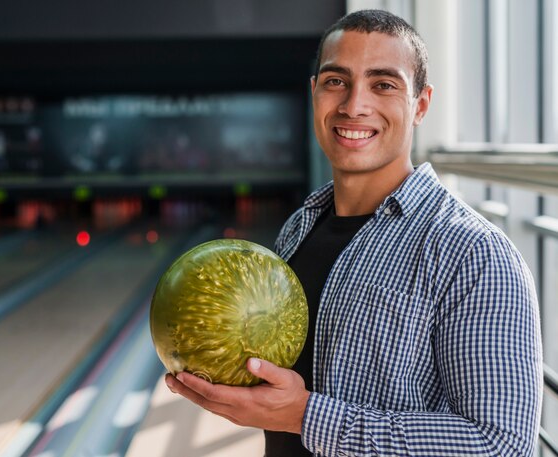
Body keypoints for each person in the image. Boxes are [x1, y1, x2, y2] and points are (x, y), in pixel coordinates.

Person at [165, 9, 543, 456]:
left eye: (383, 84)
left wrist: (305, 416)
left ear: (421, 104)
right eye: (336, 81)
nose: (353, 105)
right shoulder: (297, 229)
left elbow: (502, 445)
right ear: (315, 94)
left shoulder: (475, 254)